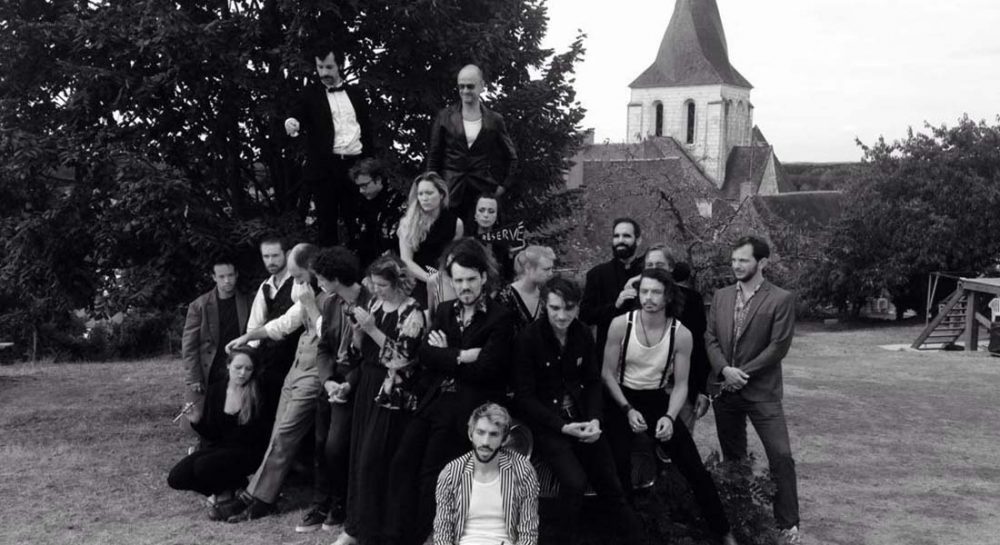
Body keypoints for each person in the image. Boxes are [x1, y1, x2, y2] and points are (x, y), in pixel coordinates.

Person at [386, 242, 514, 545]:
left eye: (470, 279)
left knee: (432, 473)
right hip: (434, 400)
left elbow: (487, 369)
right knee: (401, 462)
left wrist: (447, 354)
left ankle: (424, 536)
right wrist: (461, 355)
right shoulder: (444, 311)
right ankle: (397, 534)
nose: (464, 286)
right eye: (458, 280)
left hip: (467, 408)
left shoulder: (500, 317)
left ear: (483, 277)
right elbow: (426, 354)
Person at [602, 268, 737, 545]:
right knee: (618, 462)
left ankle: (724, 532)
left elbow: (681, 385)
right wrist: (627, 410)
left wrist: (669, 416)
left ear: (667, 296)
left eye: (656, 292)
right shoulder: (620, 324)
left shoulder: (681, 333)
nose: (649, 298)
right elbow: (606, 374)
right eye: (644, 291)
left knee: (694, 468)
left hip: (656, 399)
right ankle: (628, 533)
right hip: (621, 399)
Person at [512, 277, 642, 544]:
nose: (562, 315)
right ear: (545, 305)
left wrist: (595, 419)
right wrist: (561, 426)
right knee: (574, 482)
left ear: (578, 307)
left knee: (612, 484)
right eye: (555, 308)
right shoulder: (528, 339)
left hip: (583, 418)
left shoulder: (582, 332)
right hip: (550, 424)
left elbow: (593, 381)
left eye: (569, 308)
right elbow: (524, 397)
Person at [215, 243, 334, 522]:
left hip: (316, 372)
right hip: (296, 368)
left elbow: (329, 335)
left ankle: (259, 498)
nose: (294, 282)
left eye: (297, 275)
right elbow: (283, 324)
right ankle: (257, 494)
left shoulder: (330, 296)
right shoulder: (307, 292)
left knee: (285, 434)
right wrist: (247, 338)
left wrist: (308, 304)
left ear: (312, 270)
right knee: (278, 431)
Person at [705, 236, 800, 544]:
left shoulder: (781, 299)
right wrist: (724, 370)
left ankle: (787, 523)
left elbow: (778, 347)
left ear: (762, 263)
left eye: (743, 260)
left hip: (762, 391)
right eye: (733, 260)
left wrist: (741, 374)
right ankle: (742, 515)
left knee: (781, 456)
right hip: (725, 390)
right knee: (733, 459)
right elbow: (710, 338)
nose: (736, 266)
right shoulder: (720, 296)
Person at [338, 255, 426, 545]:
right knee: (358, 457)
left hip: (392, 392)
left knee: (373, 460)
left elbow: (402, 358)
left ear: (398, 282)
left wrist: (373, 329)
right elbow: (361, 352)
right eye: (373, 284)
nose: (376, 290)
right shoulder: (374, 304)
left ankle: (376, 530)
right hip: (368, 384)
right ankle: (356, 527)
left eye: (382, 285)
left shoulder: (413, 312)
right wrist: (357, 331)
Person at [296, 247, 373, 534]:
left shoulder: (370, 302)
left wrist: (346, 384)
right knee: (319, 443)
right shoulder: (329, 303)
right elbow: (324, 347)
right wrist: (327, 379)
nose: (317, 284)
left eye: (320, 278)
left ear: (335, 278)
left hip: (357, 380)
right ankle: (321, 502)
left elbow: (370, 357)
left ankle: (340, 503)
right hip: (333, 378)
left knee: (336, 446)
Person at [284, 43, 374, 246]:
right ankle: (329, 274)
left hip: (355, 166)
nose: (323, 72)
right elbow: (297, 112)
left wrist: (370, 166)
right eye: (320, 67)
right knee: (326, 227)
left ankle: (364, 273)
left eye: (329, 67)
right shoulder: (310, 94)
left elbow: (367, 131)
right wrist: (292, 122)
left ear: (340, 65)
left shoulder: (357, 94)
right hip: (325, 169)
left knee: (359, 224)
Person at [168, 348, 271, 518]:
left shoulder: (258, 392)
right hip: (221, 448)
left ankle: (227, 493)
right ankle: (229, 487)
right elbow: (213, 434)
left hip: (249, 450)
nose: (243, 373)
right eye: (238, 367)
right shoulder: (216, 390)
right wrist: (197, 421)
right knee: (176, 477)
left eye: (248, 369)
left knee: (203, 466)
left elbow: (260, 435)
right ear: (228, 365)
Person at [623, 244, 711, 433]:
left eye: (660, 265)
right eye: (650, 265)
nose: (654, 269)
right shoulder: (634, 301)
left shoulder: (692, 300)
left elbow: (700, 348)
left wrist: (703, 390)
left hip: (683, 387)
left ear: (671, 267)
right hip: (642, 387)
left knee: (678, 447)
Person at [433, 403, 539, 545]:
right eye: (480, 432)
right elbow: (442, 533)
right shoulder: (452, 472)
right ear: (470, 434)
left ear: (505, 439)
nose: (485, 442)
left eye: (494, 434)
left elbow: (528, 534)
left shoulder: (522, 470)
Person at [426, 64, 518, 219]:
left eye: (470, 86)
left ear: (482, 86)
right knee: (450, 240)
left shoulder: (494, 120)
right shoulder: (445, 116)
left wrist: (503, 186)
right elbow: (434, 156)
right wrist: (432, 187)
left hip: (482, 193)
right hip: (450, 191)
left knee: (478, 241)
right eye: (461, 86)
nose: (465, 91)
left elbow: (511, 157)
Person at [246, 235, 305, 417]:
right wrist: (249, 359)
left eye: (274, 255)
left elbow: (291, 321)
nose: (270, 261)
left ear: (287, 254)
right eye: (266, 256)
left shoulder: (299, 282)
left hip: (293, 358)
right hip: (268, 362)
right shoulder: (265, 287)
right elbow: (253, 326)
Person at [181, 256, 252, 404]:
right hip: (210, 368)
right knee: (202, 418)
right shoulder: (199, 305)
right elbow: (189, 346)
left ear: (236, 274)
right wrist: (194, 377)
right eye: (221, 276)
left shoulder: (249, 301)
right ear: (214, 277)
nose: (227, 280)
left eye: (230, 275)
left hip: (237, 367)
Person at [398, 172, 464, 307]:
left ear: (441, 195)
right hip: (416, 279)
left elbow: (454, 257)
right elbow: (406, 260)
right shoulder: (408, 223)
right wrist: (429, 278)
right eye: (421, 194)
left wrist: (442, 279)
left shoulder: (456, 224)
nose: (424, 198)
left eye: (429, 193)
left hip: (445, 279)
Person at [580, 218, 644, 358]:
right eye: (616, 236)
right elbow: (585, 316)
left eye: (626, 236)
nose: (620, 240)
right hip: (608, 356)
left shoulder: (648, 272)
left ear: (638, 240)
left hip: (645, 354)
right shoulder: (597, 274)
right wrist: (615, 306)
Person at [346, 158, 408, 269]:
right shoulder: (359, 203)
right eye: (359, 186)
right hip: (363, 265)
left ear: (378, 179)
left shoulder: (398, 202)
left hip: (391, 265)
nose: (361, 190)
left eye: (364, 185)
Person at [493, 245, 555, 335]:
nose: (550, 274)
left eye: (551, 269)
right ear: (528, 268)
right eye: (546, 269)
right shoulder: (505, 297)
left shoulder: (546, 295)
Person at [464, 194, 517, 281]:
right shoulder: (466, 242)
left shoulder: (503, 242)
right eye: (481, 210)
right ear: (475, 214)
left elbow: (508, 277)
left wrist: (510, 257)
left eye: (491, 211)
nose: (486, 215)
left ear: (497, 216)